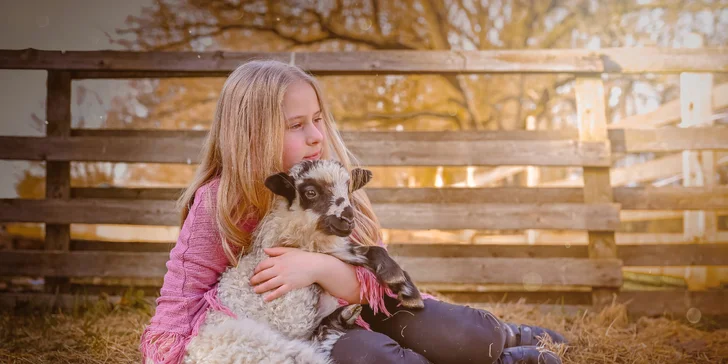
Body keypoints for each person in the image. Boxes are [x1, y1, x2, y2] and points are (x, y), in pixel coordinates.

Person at [139, 59, 566, 364]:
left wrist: (314, 266)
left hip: (365, 304)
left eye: (318, 119)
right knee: (380, 361)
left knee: (464, 336)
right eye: (296, 125)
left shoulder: (334, 181)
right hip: (308, 338)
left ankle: (506, 338)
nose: (315, 136)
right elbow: (177, 308)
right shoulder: (220, 203)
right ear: (251, 135)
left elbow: (376, 284)